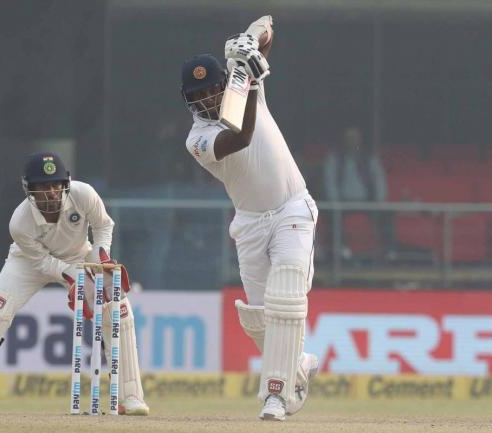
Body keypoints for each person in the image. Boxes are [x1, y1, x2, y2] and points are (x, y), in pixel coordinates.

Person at [181, 16, 319, 421]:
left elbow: (266, 26)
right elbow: (239, 136)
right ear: (188, 100)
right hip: (250, 223)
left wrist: (247, 45)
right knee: (259, 318)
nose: (207, 99)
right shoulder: (197, 139)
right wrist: (252, 80)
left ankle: (275, 395)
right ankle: (297, 365)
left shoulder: (239, 83)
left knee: (286, 294)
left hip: (292, 208)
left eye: (212, 89)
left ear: (223, 83)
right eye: (198, 95)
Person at [0, 152, 149, 416]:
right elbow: (42, 262)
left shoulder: (84, 194)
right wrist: (71, 275)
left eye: (55, 185)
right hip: (29, 262)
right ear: (29, 189)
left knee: (118, 309)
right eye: (42, 186)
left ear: (65, 184)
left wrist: (101, 255)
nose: (50, 193)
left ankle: (130, 397)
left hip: (78, 255)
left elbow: (104, 226)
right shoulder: (20, 221)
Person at [323, 126, 394, 259]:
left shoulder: (369, 158)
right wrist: (335, 203)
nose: (352, 141)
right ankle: (342, 250)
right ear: (343, 139)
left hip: (366, 201)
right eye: (349, 138)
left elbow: (379, 179)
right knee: (331, 216)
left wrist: (379, 201)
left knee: (386, 215)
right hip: (342, 202)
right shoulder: (334, 158)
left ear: (360, 139)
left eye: (355, 137)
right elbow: (330, 182)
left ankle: (389, 252)